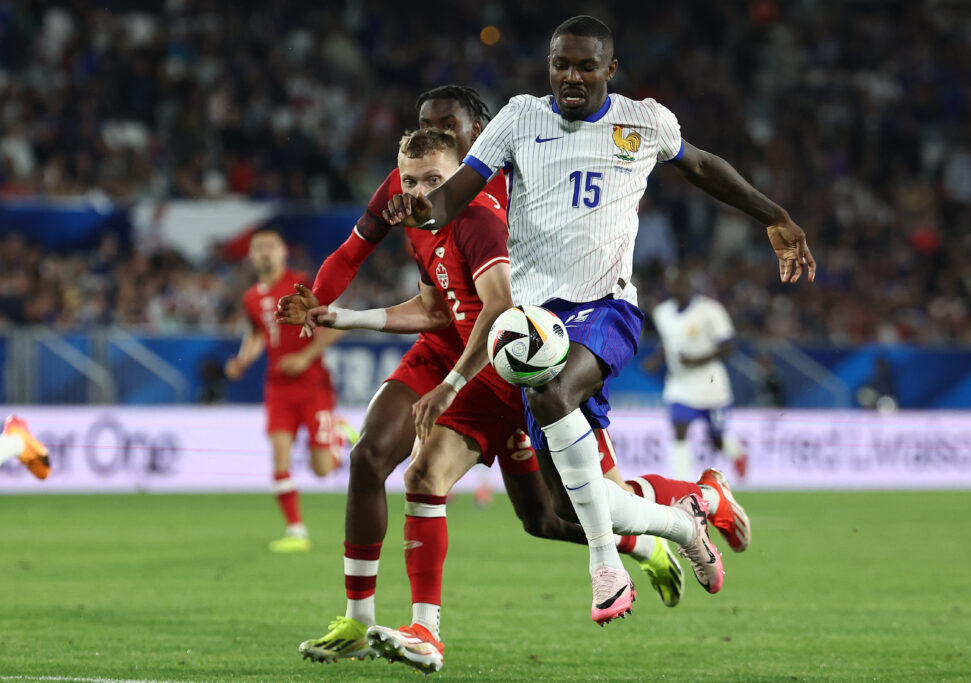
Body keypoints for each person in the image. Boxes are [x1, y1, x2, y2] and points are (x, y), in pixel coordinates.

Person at [384, 15, 814, 623]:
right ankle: (689, 518)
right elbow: (456, 195)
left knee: (553, 391)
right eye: (561, 64)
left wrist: (775, 215)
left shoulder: (644, 120)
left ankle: (606, 568)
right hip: (531, 324)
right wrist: (421, 211)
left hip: (606, 308)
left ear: (610, 70)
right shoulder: (519, 118)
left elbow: (703, 166)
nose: (571, 76)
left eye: (586, 66)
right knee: (571, 507)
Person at [276, 87, 691, 663]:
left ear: (482, 130)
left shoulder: (501, 189)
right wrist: (320, 305)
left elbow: (497, 304)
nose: (438, 136)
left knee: (550, 516)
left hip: (505, 357)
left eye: (450, 128)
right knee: (372, 458)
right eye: (425, 124)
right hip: (443, 347)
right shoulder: (414, 186)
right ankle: (361, 621)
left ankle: (656, 533)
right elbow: (416, 288)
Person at [225, 228, 344, 553]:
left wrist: (305, 357)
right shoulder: (251, 297)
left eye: (271, 247)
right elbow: (256, 335)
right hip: (277, 388)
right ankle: (296, 531)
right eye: (258, 247)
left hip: (313, 385)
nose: (265, 252)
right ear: (250, 256)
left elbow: (339, 324)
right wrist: (242, 361)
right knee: (279, 459)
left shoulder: (302, 285)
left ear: (282, 252)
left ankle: (339, 433)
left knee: (322, 470)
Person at [647, 268, 750, 483]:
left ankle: (738, 454)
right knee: (679, 429)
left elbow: (728, 346)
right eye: (674, 282)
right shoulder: (662, 313)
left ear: (691, 284)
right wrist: (656, 360)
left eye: (683, 282)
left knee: (717, 439)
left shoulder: (709, 310)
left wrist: (697, 359)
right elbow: (668, 342)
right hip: (680, 383)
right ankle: (682, 483)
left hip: (710, 383)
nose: (679, 286)